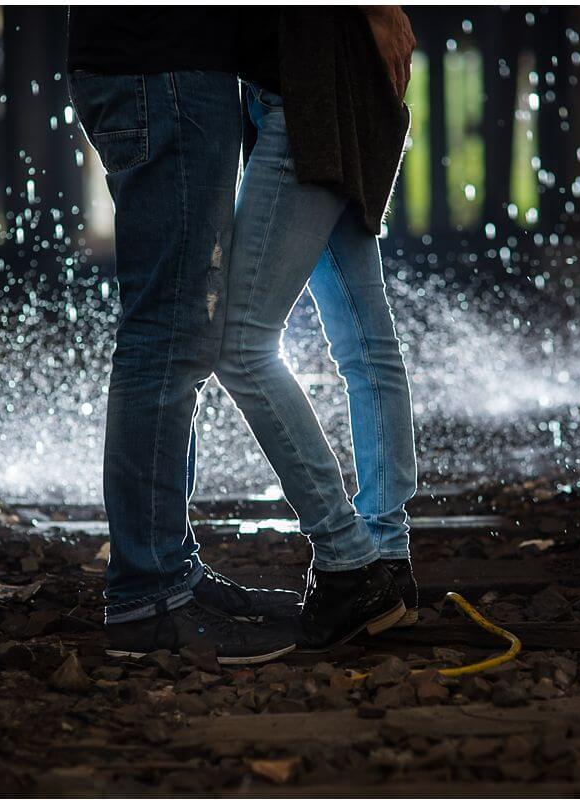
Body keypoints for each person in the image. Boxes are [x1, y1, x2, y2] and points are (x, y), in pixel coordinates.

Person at [67, 8, 302, 664]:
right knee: (167, 329)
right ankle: (149, 595)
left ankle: (171, 570)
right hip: (162, 67)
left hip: (158, 64)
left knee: (177, 330)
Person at [216, 7, 420, 651]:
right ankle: (385, 557)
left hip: (304, 94)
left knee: (239, 343)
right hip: (321, 85)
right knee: (367, 342)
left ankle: (347, 559)